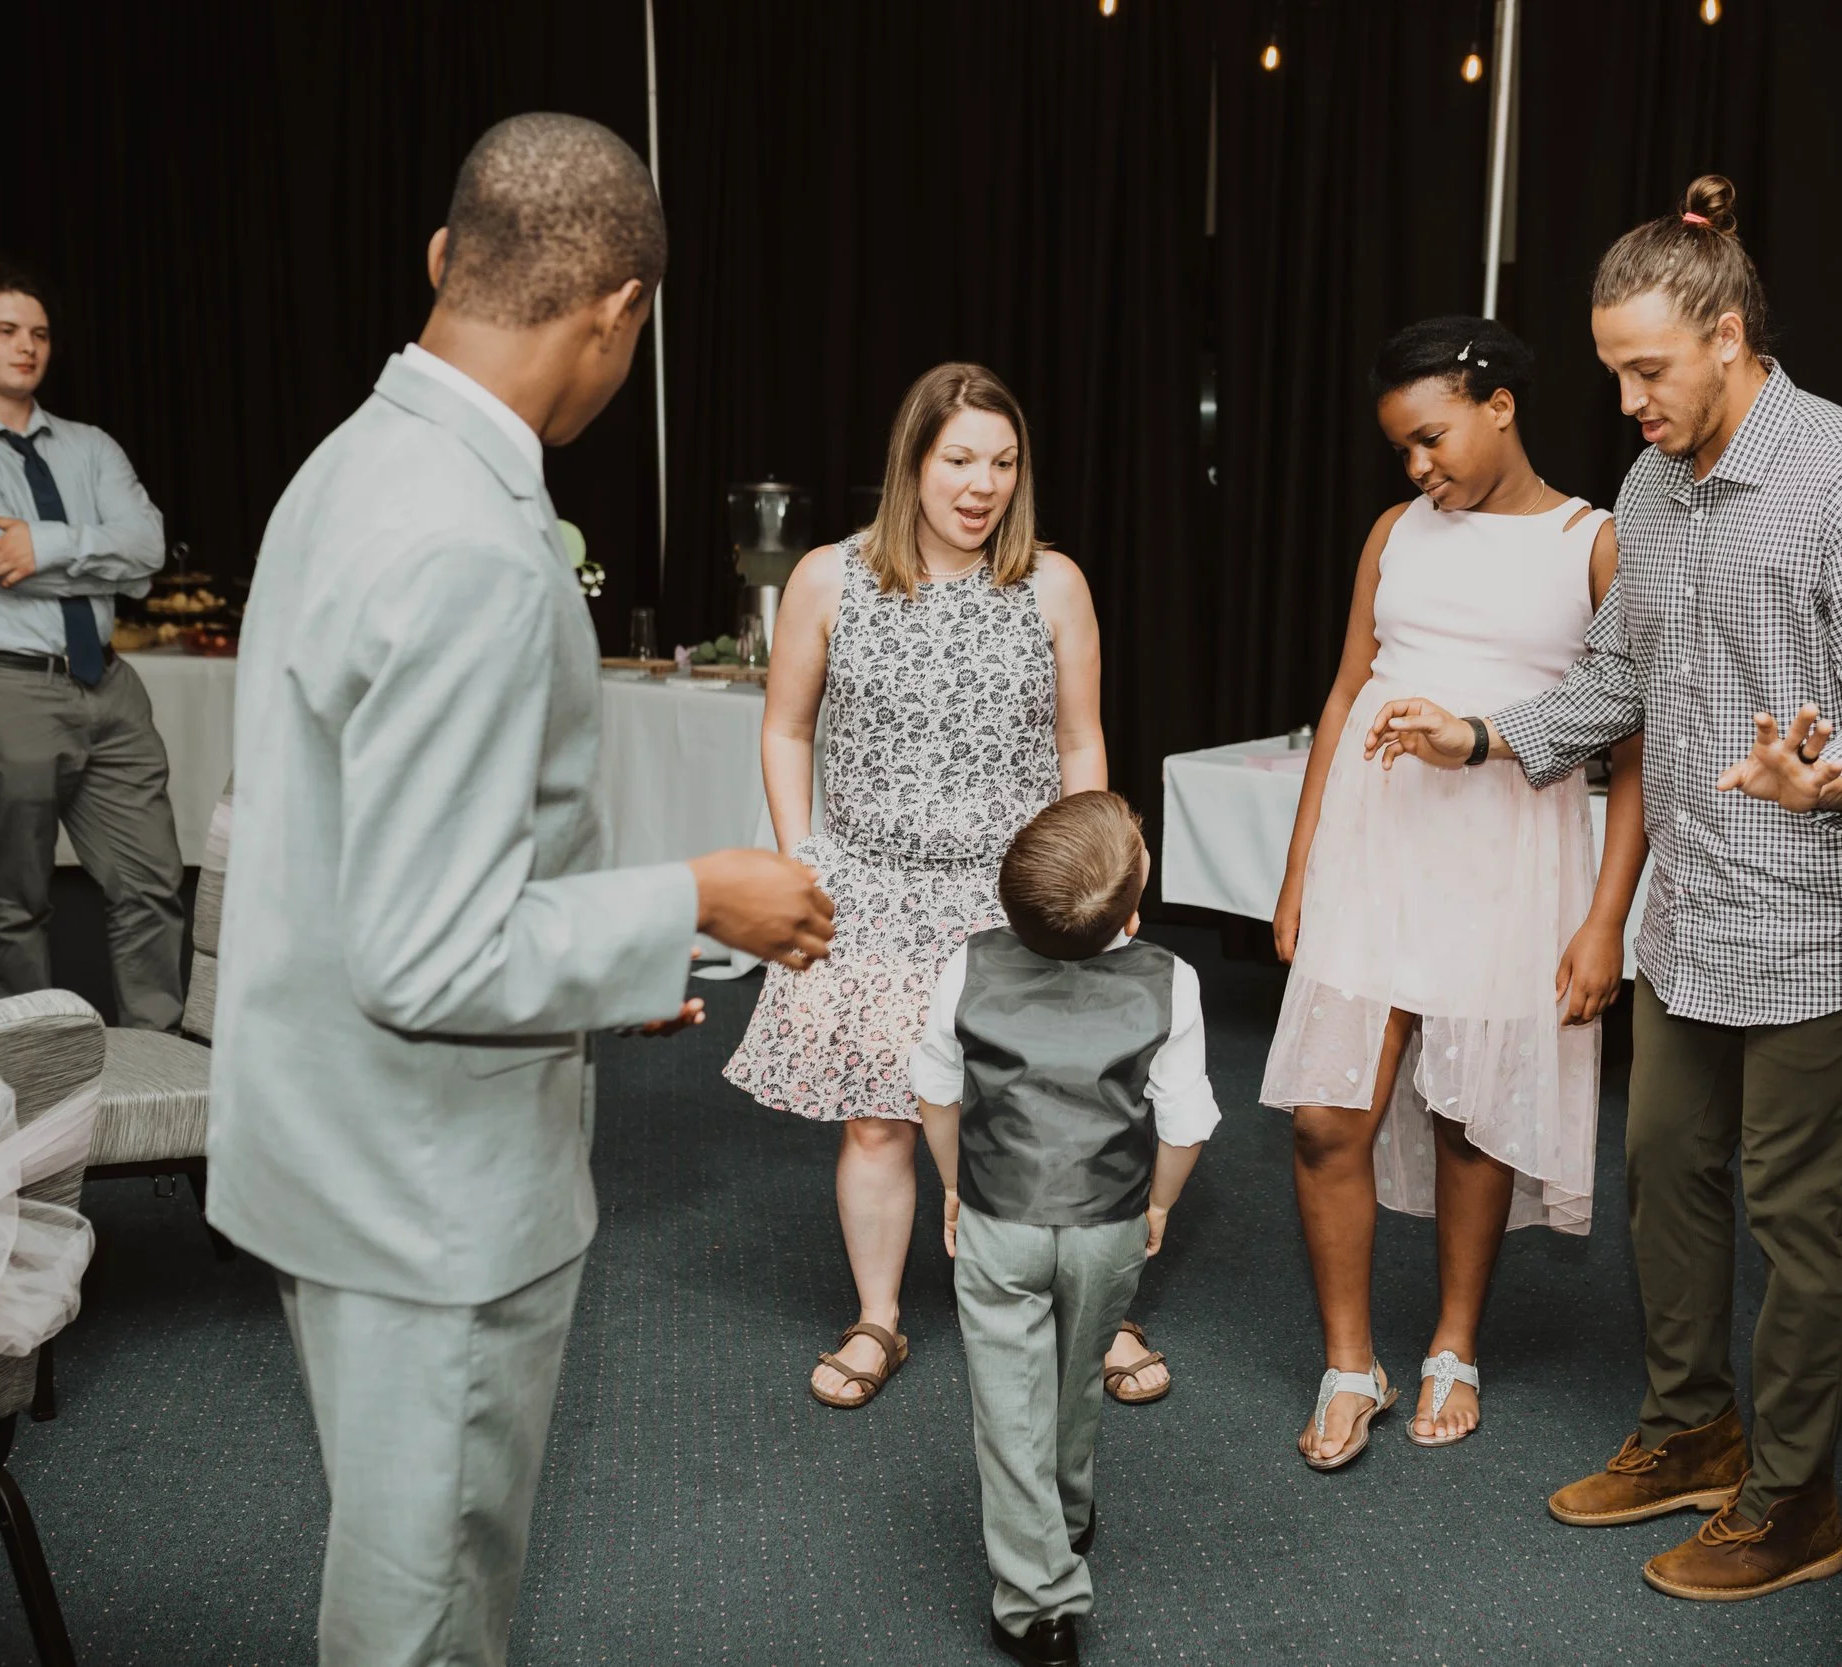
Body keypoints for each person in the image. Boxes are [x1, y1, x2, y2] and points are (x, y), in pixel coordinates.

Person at [207, 114, 834, 1667]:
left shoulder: (349, 460)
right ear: (618, 312)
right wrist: (697, 894)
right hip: (427, 1187)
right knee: (421, 1613)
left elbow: (379, 857)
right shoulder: (472, 545)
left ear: (443, 260)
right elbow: (428, 953)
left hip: (322, 1131)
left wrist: (599, 953)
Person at [1367, 176, 1842, 1598]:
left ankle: (1792, 1500)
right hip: (1692, 911)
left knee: (1799, 1207)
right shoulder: (1650, 484)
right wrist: (1488, 733)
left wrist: (1833, 776)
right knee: (1663, 1172)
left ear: (1731, 335)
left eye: (1650, 369)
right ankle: (1692, 1431)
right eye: (1615, 371)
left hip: (1832, 913)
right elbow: (1619, 679)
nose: (1628, 399)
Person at [725, 362, 1168, 1410]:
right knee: (878, 1118)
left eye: (1003, 463)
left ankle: (1093, 1308)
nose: (982, 485)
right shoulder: (831, 578)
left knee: (1046, 1113)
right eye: (959, 459)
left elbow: (1080, 738)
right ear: (912, 463)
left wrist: (1095, 874)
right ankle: (879, 1316)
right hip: (868, 887)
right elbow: (786, 727)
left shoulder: (1051, 584)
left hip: (1009, 898)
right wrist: (804, 864)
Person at [1265, 316, 1643, 1471]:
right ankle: (1348, 1359)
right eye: (1401, 451)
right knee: (1330, 1114)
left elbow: (1635, 745)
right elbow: (1342, 695)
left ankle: (1454, 1343)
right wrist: (1298, 862)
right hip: (1375, 853)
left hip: (1508, 861)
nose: (1418, 468)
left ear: (1498, 403)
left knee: (1474, 1119)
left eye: (1430, 438)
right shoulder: (1395, 531)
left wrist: (1603, 920)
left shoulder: (1594, 541)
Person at [913, 791, 1216, 1667]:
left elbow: (936, 1089)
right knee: (1079, 1368)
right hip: (1110, 1219)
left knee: (1007, 1399)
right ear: (1133, 905)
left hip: (999, 1213)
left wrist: (952, 1185)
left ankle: (1037, 1607)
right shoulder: (1172, 978)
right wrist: (1157, 1205)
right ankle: (1070, 1514)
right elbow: (1186, 1119)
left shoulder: (969, 964)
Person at [0, 259, 186, 1032]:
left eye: (39, 333)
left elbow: (148, 548)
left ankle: (162, 1069)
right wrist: (91, 554)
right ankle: (45, 1079)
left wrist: (45, 545)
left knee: (151, 883)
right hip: (7, 690)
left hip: (109, 689)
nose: (27, 347)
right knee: (18, 900)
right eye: (6, 330)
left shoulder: (91, 447)